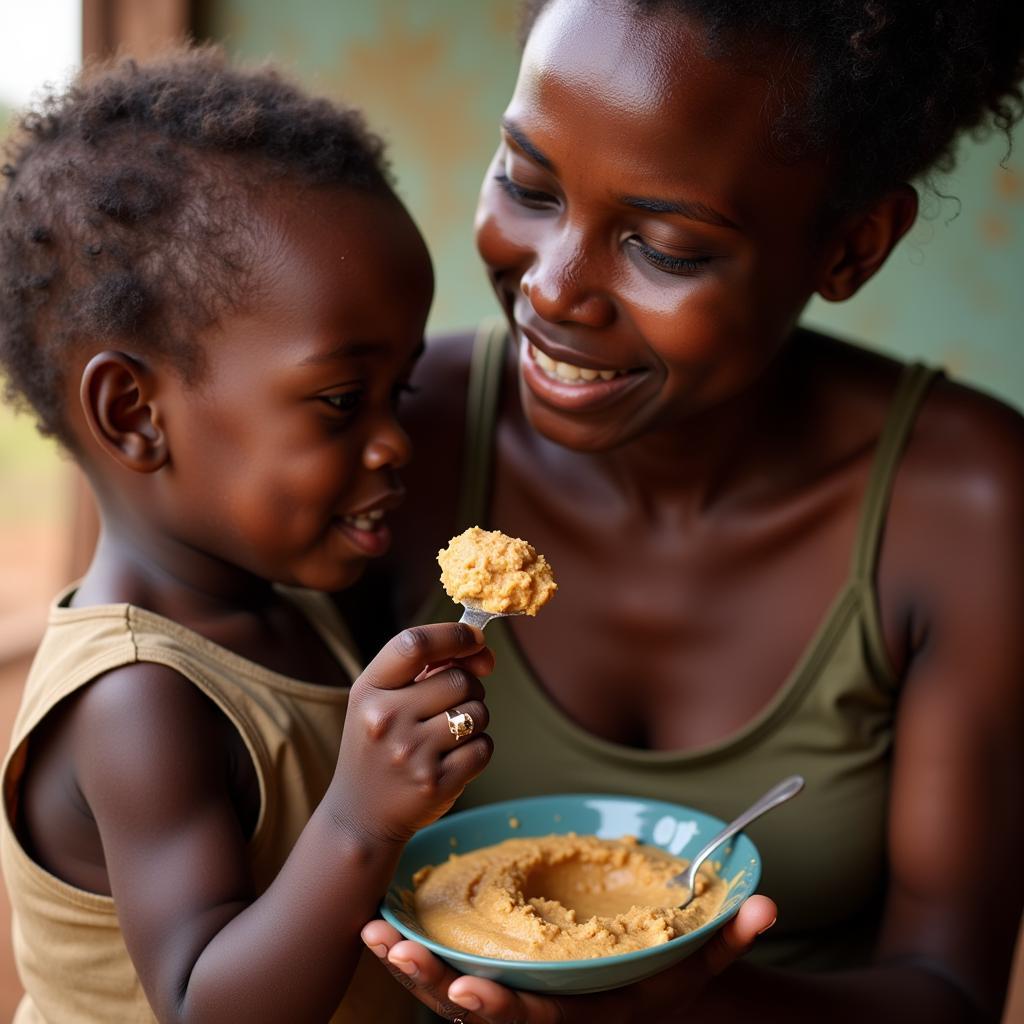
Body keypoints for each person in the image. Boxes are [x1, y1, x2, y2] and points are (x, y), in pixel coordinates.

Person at [352, 1, 1024, 1021]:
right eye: (527, 185)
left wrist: (671, 1004)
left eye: (663, 247)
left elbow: (949, 990)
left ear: (851, 246)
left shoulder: (966, 507)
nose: (551, 286)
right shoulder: (397, 438)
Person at [0, 47, 501, 1023]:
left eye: (396, 392)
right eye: (340, 400)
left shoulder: (287, 601)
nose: (395, 440)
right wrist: (359, 819)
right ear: (133, 412)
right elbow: (204, 1006)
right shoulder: (135, 699)